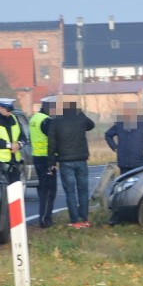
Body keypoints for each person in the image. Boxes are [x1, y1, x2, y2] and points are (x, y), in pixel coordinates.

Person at [47, 97, 95, 228]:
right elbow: (92, 125)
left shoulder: (56, 121)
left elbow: (51, 144)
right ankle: (84, 220)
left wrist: (51, 162)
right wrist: (81, 115)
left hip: (65, 161)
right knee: (83, 191)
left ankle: (75, 221)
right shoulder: (80, 117)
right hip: (81, 159)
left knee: (70, 192)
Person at [0, 97, 26, 185]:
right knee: (3, 193)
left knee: (15, 194)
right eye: (7, 110)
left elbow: (23, 137)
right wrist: (9, 145)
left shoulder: (14, 119)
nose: (9, 112)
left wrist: (19, 144)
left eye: (11, 110)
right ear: (0, 108)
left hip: (14, 164)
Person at [29, 99, 58, 228]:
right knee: (50, 190)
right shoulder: (47, 121)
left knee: (42, 190)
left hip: (36, 157)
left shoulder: (33, 119)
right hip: (47, 159)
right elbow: (53, 139)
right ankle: (45, 219)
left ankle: (43, 217)